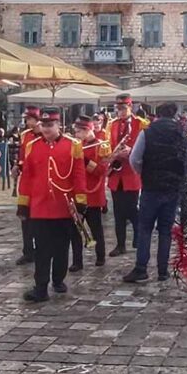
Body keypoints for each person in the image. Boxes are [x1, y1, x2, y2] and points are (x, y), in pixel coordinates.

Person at [17, 108, 87, 303]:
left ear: (59, 125)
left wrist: (81, 203)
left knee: (61, 247)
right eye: (44, 125)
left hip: (63, 206)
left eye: (50, 125)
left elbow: (79, 176)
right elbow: (27, 177)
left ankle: (58, 279)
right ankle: (40, 287)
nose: (46, 129)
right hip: (39, 207)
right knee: (41, 249)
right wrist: (23, 204)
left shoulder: (73, 145)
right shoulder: (31, 145)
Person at [122, 103, 187, 283]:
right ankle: (162, 271)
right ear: (174, 115)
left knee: (145, 228)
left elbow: (134, 158)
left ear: (157, 115)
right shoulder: (181, 134)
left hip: (151, 187)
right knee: (165, 230)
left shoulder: (147, 132)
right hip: (172, 188)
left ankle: (141, 269)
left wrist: (143, 172)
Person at [106, 94, 148, 256]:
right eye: (118, 108)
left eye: (124, 108)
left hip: (131, 172)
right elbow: (107, 144)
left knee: (131, 208)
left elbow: (147, 148)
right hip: (116, 173)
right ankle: (120, 244)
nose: (121, 111)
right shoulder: (112, 124)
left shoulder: (141, 124)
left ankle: (138, 233)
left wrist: (131, 151)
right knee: (118, 211)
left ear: (131, 107)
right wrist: (112, 154)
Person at [70, 115, 110, 268]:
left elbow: (101, 170)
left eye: (79, 132)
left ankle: (100, 256)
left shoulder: (102, 146)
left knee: (96, 228)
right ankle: (77, 261)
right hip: (78, 195)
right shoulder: (76, 145)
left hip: (93, 194)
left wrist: (84, 160)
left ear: (87, 130)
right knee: (75, 230)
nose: (76, 135)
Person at [14, 106, 42, 265]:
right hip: (26, 182)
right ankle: (27, 251)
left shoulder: (44, 136)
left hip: (39, 181)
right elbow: (22, 156)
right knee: (24, 217)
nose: (27, 122)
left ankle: (40, 248)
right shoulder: (24, 136)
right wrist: (17, 166)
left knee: (38, 218)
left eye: (29, 119)